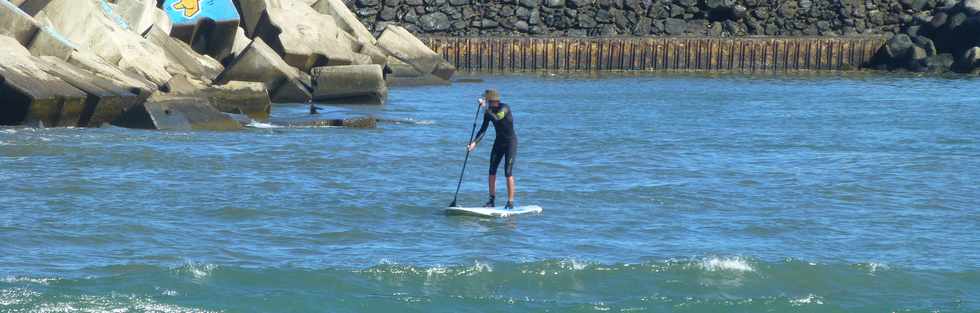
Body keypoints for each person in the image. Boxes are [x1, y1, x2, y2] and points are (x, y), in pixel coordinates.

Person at [467, 89, 518, 210]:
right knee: (491, 171)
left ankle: (510, 202)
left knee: (508, 172)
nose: (485, 101)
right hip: (499, 143)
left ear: (491, 100)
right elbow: (483, 130)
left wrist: (485, 108)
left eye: (486, 99)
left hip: (510, 143)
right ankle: (491, 201)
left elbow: (497, 118)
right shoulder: (488, 112)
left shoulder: (505, 108)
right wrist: (474, 143)